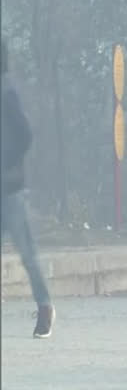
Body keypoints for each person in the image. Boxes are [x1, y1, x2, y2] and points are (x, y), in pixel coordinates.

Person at [1, 38, 55, 338]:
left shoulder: (7, 92)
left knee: (27, 254)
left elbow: (25, 134)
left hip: (9, 188)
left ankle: (45, 306)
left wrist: (8, 161)